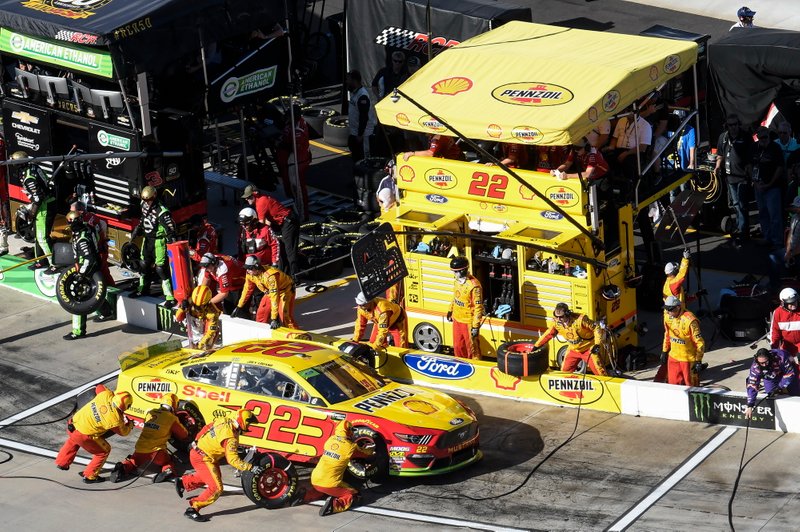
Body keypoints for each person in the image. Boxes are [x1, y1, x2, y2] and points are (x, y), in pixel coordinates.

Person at [175, 409, 262, 522]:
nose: (249, 426)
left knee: (212, 477)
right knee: (216, 488)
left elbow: (207, 427)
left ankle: (184, 482)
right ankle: (193, 509)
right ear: (243, 422)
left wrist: (195, 441)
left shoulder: (224, 420)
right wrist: (251, 468)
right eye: (249, 423)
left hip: (200, 452)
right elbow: (233, 460)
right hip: (203, 458)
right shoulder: (231, 438)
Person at [55, 386, 133, 483]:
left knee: (73, 440)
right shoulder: (116, 420)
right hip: (84, 435)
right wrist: (130, 424)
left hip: (73, 424)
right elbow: (124, 432)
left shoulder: (106, 395)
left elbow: (99, 387)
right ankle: (90, 476)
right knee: (104, 451)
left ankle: (62, 463)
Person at [110, 392, 189, 483]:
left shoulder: (150, 413)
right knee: (167, 461)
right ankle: (168, 470)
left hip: (140, 447)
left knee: (132, 462)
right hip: (157, 451)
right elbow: (184, 434)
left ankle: (123, 467)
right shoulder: (172, 418)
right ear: (174, 405)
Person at [305, 420, 375, 516]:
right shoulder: (351, 447)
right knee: (355, 494)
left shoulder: (330, 440)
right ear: (348, 431)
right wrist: (372, 449)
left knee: (323, 488)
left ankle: (304, 495)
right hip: (330, 484)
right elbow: (366, 454)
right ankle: (334, 505)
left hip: (314, 479)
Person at [63, 212, 114, 340]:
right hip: (94, 264)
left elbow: (89, 259)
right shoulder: (87, 228)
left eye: (69, 222)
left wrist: (81, 274)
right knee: (93, 294)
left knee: (78, 299)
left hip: (88, 268)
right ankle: (107, 312)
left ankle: (78, 331)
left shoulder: (82, 239)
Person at [129, 186, 178, 307]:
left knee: (160, 269)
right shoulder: (143, 204)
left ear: (154, 197)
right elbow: (143, 219)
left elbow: (171, 230)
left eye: (148, 200)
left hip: (159, 242)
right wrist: (137, 229)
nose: (146, 202)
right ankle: (142, 289)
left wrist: (172, 244)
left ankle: (170, 296)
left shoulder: (162, 211)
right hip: (147, 240)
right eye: (144, 200)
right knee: (143, 265)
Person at [241, 184, 300, 277]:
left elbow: (261, 223)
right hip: (279, 223)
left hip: (289, 221)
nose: (246, 199)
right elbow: (267, 221)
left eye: (249, 197)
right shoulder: (259, 202)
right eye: (246, 198)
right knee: (282, 248)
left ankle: (296, 276)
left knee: (290, 250)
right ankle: (286, 273)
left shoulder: (261, 202)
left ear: (255, 194)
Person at [534, 302, 607, 376]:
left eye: (561, 317)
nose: (558, 319)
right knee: (564, 373)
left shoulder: (580, 320)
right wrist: (536, 346)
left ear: (567, 314)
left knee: (600, 372)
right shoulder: (555, 323)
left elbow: (596, 328)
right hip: (573, 349)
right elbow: (548, 334)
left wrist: (597, 344)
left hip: (588, 348)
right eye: (556, 316)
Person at [715, 114, 754, 247]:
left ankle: (744, 232)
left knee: (742, 205)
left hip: (742, 177)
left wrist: (751, 176)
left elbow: (750, 158)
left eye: (735, 124)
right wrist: (716, 168)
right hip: (730, 177)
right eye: (730, 125)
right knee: (736, 204)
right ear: (727, 125)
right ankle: (740, 227)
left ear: (739, 124)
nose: (733, 127)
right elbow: (719, 154)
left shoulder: (746, 137)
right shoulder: (723, 137)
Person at [14, 151, 56, 272]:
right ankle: (40, 261)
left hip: (44, 206)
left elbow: (38, 198)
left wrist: (32, 214)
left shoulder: (28, 177)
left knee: (42, 237)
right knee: (39, 236)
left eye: (14, 163)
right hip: (46, 203)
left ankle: (54, 264)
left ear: (19, 164)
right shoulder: (34, 166)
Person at [234, 255, 297, 327]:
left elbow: (274, 297)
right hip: (269, 292)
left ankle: (296, 334)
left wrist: (274, 318)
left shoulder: (270, 277)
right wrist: (239, 306)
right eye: (247, 268)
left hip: (286, 291)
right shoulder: (250, 274)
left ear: (257, 267)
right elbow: (247, 289)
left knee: (285, 316)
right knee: (261, 314)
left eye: (250, 268)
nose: (247, 270)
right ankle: (261, 332)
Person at [276, 105, 311, 221]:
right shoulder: (295, 123)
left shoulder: (297, 130)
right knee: (292, 188)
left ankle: (303, 215)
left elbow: (293, 145)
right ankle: (296, 209)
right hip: (292, 161)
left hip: (296, 162)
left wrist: (280, 143)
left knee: (298, 190)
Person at [752, 126, 785, 248]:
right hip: (759, 185)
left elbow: (780, 167)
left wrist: (770, 183)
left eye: (765, 137)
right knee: (763, 213)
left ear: (769, 136)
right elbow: (750, 165)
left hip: (772, 187)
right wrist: (755, 183)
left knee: (774, 215)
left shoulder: (775, 148)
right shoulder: (755, 147)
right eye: (760, 137)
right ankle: (767, 237)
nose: (763, 139)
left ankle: (777, 241)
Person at [661, 295, 705, 386]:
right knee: (673, 384)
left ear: (677, 307)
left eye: (670, 310)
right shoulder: (667, 316)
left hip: (688, 359)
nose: (668, 312)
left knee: (691, 386)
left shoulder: (690, 321)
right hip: (673, 357)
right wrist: (664, 351)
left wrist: (698, 361)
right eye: (667, 309)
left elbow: (699, 342)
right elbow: (667, 334)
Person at [745, 348, 799, 419]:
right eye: (761, 363)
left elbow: (791, 373)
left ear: (770, 358)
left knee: (796, 392)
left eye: (766, 362)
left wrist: (780, 387)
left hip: (786, 372)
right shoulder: (755, 367)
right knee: (770, 394)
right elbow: (752, 385)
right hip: (770, 377)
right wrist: (750, 405)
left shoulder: (782, 357)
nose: (764, 365)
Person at [446, 257, 483, 359]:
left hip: (468, 322)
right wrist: (450, 310)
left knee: (472, 349)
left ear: (462, 270)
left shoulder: (474, 286)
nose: (454, 274)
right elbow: (455, 297)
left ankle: (476, 367)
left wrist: (475, 326)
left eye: (455, 272)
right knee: (458, 347)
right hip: (457, 319)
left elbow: (478, 307)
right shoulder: (457, 281)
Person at [70, 201, 114, 288]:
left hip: (98, 249)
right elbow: (103, 224)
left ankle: (112, 289)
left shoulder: (85, 221)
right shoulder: (91, 215)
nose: (70, 213)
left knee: (102, 271)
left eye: (72, 211)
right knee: (101, 271)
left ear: (80, 211)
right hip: (98, 247)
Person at [605, 108, 652, 181]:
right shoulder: (621, 120)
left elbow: (643, 147)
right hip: (618, 149)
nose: (626, 113)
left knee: (628, 162)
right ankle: (610, 182)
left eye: (628, 111)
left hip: (634, 152)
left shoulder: (645, 125)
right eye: (625, 111)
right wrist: (611, 146)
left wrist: (626, 153)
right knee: (606, 158)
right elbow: (615, 137)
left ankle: (629, 183)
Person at [175, 285, 222, 350]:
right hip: (193, 330)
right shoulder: (189, 302)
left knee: (210, 339)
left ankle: (208, 348)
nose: (196, 308)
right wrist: (182, 309)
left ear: (206, 304)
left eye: (199, 306)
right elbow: (178, 318)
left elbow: (210, 331)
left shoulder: (213, 313)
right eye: (195, 305)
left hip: (206, 332)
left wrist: (201, 345)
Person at [768, 197, 800, 291]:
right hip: (792, 250)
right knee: (772, 257)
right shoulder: (795, 218)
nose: (796, 209)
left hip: (797, 252)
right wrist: (788, 250)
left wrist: (791, 254)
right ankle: (775, 286)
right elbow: (790, 234)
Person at [346, 70, 377, 163]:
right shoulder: (355, 92)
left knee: (365, 158)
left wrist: (360, 134)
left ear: (355, 81)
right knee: (356, 156)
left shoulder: (362, 96)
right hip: (355, 132)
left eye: (348, 80)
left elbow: (364, 117)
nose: (347, 82)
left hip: (364, 134)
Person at [771, 288, 800, 356]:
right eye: (790, 303)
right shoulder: (778, 312)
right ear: (783, 303)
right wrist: (775, 350)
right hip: (787, 345)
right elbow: (775, 333)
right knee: (784, 364)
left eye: (795, 301)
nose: (794, 305)